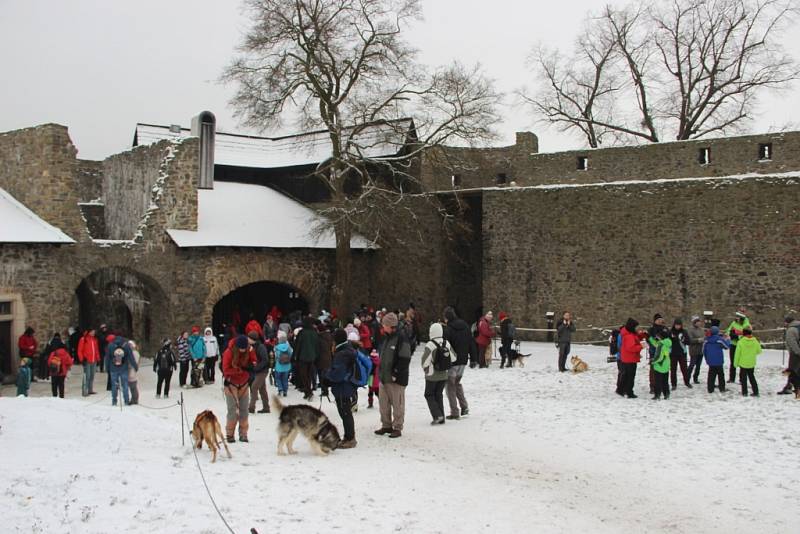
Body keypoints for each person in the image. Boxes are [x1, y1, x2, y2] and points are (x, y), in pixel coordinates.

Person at [374, 312, 411, 438]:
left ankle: (397, 427)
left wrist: (396, 372)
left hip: (396, 379)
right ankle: (386, 425)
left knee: (397, 404)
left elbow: (405, 358)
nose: (382, 327)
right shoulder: (387, 337)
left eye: (384, 324)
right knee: (383, 403)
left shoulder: (402, 337)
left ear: (390, 325)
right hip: (384, 377)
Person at [326, 328, 358, 449]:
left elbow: (338, 374)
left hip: (342, 387)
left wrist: (327, 375)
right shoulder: (347, 350)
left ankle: (350, 438)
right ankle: (348, 437)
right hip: (346, 386)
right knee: (345, 411)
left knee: (345, 412)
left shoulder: (342, 354)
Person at [222, 335, 256, 443]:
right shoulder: (229, 352)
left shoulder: (249, 350)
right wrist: (239, 371)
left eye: (244, 348)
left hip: (244, 384)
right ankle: (229, 434)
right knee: (233, 411)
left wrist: (251, 368)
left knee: (244, 411)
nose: (243, 350)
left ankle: (243, 434)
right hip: (231, 384)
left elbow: (254, 361)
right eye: (241, 348)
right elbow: (225, 369)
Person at [443, 307, 474, 419]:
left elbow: (446, 346)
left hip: (453, 361)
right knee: (457, 383)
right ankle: (464, 407)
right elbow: (471, 342)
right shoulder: (465, 326)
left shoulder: (448, 329)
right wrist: (473, 358)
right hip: (463, 360)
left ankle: (454, 411)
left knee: (450, 386)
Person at [420, 322, 454, 425]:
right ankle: (441, 417)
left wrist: (426, 368)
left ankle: (437, 415)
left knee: (429, 394)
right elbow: (454, 357)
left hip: (432, 375)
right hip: (444, 374)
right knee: (438, 394)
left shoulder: (430, 345)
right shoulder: (446, 343)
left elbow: (424, 361)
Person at [293, 316, 320, 401]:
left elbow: (298, 345)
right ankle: (307, 391)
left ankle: (308, 391)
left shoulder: (302, 333)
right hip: (312, 356)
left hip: (303, 356)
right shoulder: (314, 332)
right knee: (309, 374)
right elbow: (317, 345)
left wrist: (295, 355)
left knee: (304, 375)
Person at [106, 335, 137, 406]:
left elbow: (107, 358)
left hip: (113, 368)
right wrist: (135, 366)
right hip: (123, 368)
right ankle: (126, 401)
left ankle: (114, 401)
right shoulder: (126, 345)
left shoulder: (110, 345)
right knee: (125, 385)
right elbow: (131, 357)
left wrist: (107, 368)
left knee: (114, 386)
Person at [618, 318, 643, 398]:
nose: (637, 328)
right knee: (630, 376)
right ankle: (629, 392)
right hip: (630, 359)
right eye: (636, 327)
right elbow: (631, 348)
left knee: (626, 375)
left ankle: (621, 390)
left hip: (627, 358)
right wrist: (641, 346)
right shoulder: (629, 336)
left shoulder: (628, 334)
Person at [725, 310, 751, 383]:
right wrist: (730, 334)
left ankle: (742, 379)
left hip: (742, 345)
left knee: (742, 362)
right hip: (733, 344)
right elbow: (728, 330)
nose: (736, 318)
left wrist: (737, 336)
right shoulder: (734, 323)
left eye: (738, 317)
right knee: (733, 362)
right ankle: (731, 378)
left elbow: (746, 334)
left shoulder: (746, 325)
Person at [248, 331, 271, 414]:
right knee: (262, 389)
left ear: (253, 339)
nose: (247, 339)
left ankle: (251, 407)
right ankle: (266, 407)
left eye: (249, 338)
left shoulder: (261, 347)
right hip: (258, 371)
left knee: (254, 387)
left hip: (263, 371)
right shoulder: (251, 347)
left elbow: (265, 360)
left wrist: (256, 368)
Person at [703, 326, 731, 393]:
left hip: (710, 360)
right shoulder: (719, 340)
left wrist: (707, 359)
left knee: (711, 375)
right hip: (719, 360)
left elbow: (704, 350)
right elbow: (726, 346)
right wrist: (728, 339)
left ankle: (710, 389)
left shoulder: (707, 340)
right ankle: (722, 388)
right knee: (720, 375)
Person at [734, 328, 761, 396]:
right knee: (752, 377)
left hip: (743, 363)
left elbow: (737, 354)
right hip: (751, 362)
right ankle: (756, 391)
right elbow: (759, 351)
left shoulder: (740, 342)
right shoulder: (755, 341)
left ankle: (744, 392)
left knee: (743, 378)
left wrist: (735, 363)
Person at [780, 316, 800, 397]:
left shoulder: (791, 330)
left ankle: (789, 387)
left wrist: (797, 352)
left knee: (792, 371)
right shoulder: (798, 327)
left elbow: (792, 343)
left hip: (795, 354)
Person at [669, 318, 692, 389]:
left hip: (682, 353)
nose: (678, 326)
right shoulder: (671, 332)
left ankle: (687, 382)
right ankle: (673, 384)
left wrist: (684, 340)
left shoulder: (684, 332)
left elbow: (689, 342)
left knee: (684, 369)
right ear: (674, 325)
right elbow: (668, 341)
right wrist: (672, 339)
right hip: (673, 353)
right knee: (673, 370)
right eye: (676, 325)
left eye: (679, 325)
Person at [77, 328, 100, 396]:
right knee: (87, 376)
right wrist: (82, 359)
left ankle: (90, 389)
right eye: (92, 332)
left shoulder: (94, 340)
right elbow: (79, 350)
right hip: (87, 360)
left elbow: (96, 350)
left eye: (94, 332)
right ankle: (85, 390)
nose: (93, 333)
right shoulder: (83, 339)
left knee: (92, 376)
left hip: (94, 360)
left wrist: (98, 359)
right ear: (89, 332)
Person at [651, 328, 671, 400]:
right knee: (665, 381)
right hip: (666, 365)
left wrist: (653, 361)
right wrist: (650, 338)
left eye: (658, 336)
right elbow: (655, 344)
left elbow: (659, 356)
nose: (657, 338)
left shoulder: (661, 345)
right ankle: (666, 394)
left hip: (659, 365)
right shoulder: (667, 343)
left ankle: (657, 395)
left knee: (657, 382)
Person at [686, 316, 705, 384]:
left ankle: (695, 378)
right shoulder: (690, 330)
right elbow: (690, 340)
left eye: (699, 322)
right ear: (694, 323)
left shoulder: (701, 330)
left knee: (698, 366)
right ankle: (687, 378)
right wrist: (698, 340)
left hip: (700, 350)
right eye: (697, 322)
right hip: (694, 350)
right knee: (692, 365)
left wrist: (704, 340)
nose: (699, 323)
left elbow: (704, 337)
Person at [273, 330, 293, 397]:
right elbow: (291, 354)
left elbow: (276, 356)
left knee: (278, 378)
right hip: (287, 366)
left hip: (279, 366)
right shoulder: (288, 347)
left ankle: (280, 389)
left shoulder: (276, 347)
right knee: (285, 378)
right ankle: (285, 391)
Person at [127, 340, 141, 405]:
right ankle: (134, 398)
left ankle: (135, 399)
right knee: (131, 385)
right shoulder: (131, 352)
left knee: (133, 385)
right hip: (131, 370)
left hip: (132, 370)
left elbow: (134, 362)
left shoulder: (135, 353)